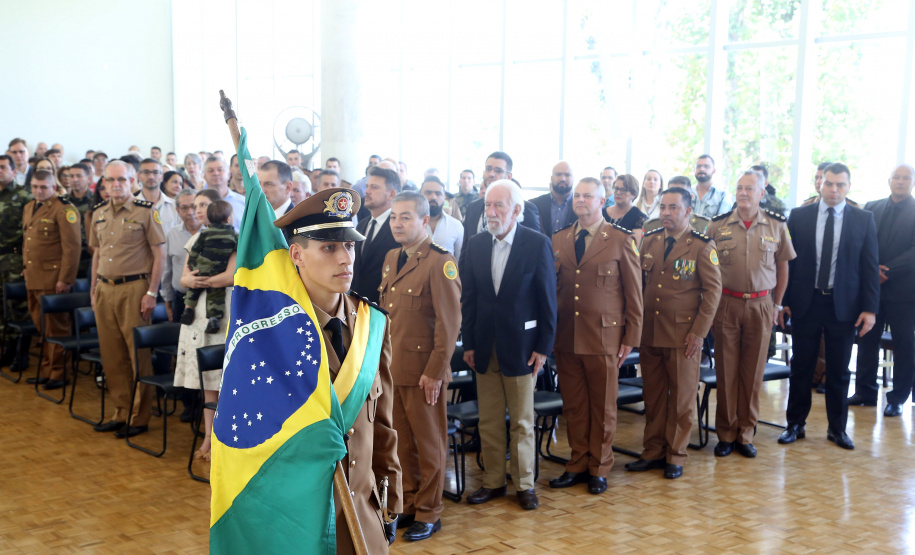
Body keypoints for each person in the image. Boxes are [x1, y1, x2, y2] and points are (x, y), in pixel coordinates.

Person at [267, 186, 401, 553]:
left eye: (350, 246)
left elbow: (383, 421)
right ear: (297, 254)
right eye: (329, 247)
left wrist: (391, 499)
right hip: (302, 520)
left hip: (363, 512)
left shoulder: (371, 324)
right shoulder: (274, 335)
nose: (345, 258)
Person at [461, 179, 557, 511]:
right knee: (488, 420)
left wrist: (543, 348)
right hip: (484, 349)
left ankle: (524, 484)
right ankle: (493, 483)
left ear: (516, 210)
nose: (491, 212)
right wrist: (469, 344)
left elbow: (547, 302)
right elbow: (469, 300)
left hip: (523, 348)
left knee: (522, 421)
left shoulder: (537, 244)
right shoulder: (475, 244)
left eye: (498, 205)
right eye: (488, 205)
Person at [549, 178, 642, 495]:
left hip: (605, 337)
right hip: (567, 337)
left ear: (602, 201)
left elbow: (634, 292)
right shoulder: (559, 239)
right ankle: (577, 462)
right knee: (574, 405)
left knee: (602, 407)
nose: (580, 201)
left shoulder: (619, 239)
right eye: (577, 195)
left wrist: (631, 335)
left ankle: (599, 467)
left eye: (588, 196)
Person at [777, 163, 879, 451]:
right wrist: (783, 302)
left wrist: (870, 309)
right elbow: (788, 264)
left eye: (840, 185)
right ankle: (795, 424)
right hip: (805, 302)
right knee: (801, 366)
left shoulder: (863, 219)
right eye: (829, 183)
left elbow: (870, 267)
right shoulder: (799, 216)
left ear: (848, 186)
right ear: (819, 184)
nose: (834, 190)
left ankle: (837, 429)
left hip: (843, 306)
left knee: (839, 370)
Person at [377, 191, 461, 542]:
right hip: (393, 370)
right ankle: (408, 502)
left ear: (425, 221)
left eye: (406, 217)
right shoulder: (391, 257)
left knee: (429, 445)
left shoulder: (440, 262)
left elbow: (449, 323)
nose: (398, 223)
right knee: (400, 444)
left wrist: (436, 371)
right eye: (394, 217)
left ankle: (429, 511)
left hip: (423, 372)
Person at [626, 187, 721, 479]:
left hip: (684, 338)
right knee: (653, 397)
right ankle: (653, 451)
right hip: (651, 333)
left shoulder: (702, 246)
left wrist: (699, 333)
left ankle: (676, 455)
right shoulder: (650, 241)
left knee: (680, 399)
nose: (666, 213)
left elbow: (713, 293)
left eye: (674, 208)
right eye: (663, 208)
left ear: (688, 211)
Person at [706, 170, 795, 459]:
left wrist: (777, 305)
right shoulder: (717, 226)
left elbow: (783, 267)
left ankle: (745, 433)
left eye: (750, 189)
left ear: (761, 192)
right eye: (739, 188)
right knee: (726, 371)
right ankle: (726, 434)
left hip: (761, 306)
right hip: (726, 305)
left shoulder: (776, 225)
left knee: (753, 373)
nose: (743, 193)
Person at [89, 160, 166, 438]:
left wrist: (151, 292)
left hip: (135, 289)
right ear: (104, 183)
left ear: (132, 181)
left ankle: (138, 417)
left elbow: (159, 253)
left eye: (121, 179)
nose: (115, 185)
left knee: (137, 355)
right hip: (104, 289)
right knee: (112, 355)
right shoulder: (98, 213)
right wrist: (93, 286)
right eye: (110, 180)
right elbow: (97, 252)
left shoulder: (146, 212)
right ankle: (120, 412)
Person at [850, 163, 915, 417]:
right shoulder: (871, 207)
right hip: (871, 288)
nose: (900, 181)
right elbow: (860, 241)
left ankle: (898, 398)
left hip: (904, 291)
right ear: (889, 181)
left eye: (905, 178)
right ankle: (864, 392)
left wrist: (887, 271)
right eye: (896, 177)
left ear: (912, 182)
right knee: (867, 340)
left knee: (904, 344)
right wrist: (872, 270)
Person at [175, 189, 235, 459]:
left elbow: (231, 276)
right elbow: (184, 278)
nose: (198, 210)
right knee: (207, 381)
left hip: (221, 311)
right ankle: (208, 437)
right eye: (196, 205)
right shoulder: (197, 237)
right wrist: (191, 281)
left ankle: (223, 439)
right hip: (197, 312)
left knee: (224, 379)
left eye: (204, 205)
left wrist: (203, 281)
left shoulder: (234, 236)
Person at [21, 170, 82, 390]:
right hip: (33, 276)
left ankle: (59, 372)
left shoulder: (64, 209)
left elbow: (72, 248)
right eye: (35, 186)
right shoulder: (29, 207)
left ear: (54, 188)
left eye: (44, 187)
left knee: (56, 328)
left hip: (53, 279)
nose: (39, 191)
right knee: (42, 328)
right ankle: (47, 369)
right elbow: (29, 241)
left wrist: (65, 279)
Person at [460, 152, 542, 267]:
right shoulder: (473, 208)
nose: (491, 174)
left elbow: (535, 249)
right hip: (478, 280)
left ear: (509, 176)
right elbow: (465, 253)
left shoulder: (525, 208)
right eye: (488, 169)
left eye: (498, 171)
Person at [180, 200, 238, 334]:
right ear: (228, 218)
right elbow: (239, 249)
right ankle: (213, 319)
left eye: (202, 205)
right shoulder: (234, 235)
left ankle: (188, 309)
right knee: (216, 295)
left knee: (192, 290)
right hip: (219, 271)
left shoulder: (203, 234)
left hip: (201, 268)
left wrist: (192, 264)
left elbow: (195, 250)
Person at [0, 154, 33, 372]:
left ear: (14, 172)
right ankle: (6, 349)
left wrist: (27, 263)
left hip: (14, 259)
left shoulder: (24, 197)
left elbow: (32, 234)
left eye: (3, 167)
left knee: (18, 309)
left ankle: (21, 353)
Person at [353, 166, 401, 304]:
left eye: (374, 187)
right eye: (367, 186)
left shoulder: (398, 228)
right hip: (357, 306)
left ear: (392, 194)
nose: (367, 191)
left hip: (385, 308)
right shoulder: (362, 225)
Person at [160, 189, 199, 324]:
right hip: (181, 299)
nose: (190, 212)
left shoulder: (214, 231)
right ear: (177, 210)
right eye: (184, 208)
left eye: (194, 206)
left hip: (210, 299)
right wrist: (167, 299)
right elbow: (167, 269)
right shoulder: (172, 234)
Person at [420, 176, 463, 260]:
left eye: (438, 193)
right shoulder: (410, 224)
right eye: (428, 193)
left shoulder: (456, 225)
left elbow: (459, 260)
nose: (433, 197)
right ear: (420, 196)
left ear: (444, 198)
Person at [531, 161, 577, 236]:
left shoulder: (580, 205)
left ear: (573, 179)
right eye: (558, 174)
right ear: (551, 178)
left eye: (567, 175)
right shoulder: (535, 204)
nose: (563, 179)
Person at [136, 158, 179, 235]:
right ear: (139, 176)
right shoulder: (131, 206)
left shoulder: (175, 206)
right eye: (146, 172)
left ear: (162, 177)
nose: (151, 176)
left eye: (155, 172)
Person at [66, 163, 95, 277]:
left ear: (88, 178)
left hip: (91, 258)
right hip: (69, 259)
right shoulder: (62, 202)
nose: (75, 179)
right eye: (71, 176)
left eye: (79, 176)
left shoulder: (97, 202)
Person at [203, 156, 245, 232]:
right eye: (210, 171)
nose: (216, 173)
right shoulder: (198, 202)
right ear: (204, 176)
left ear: (229, 175)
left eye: (220, 170)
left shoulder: (242, 201)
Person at [603, 174, 648, 242]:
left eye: (623, 190)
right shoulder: (602, 212)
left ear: (634, 194)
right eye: (616, 188)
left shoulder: (639, 218)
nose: (618, 192)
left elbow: (635, 247)